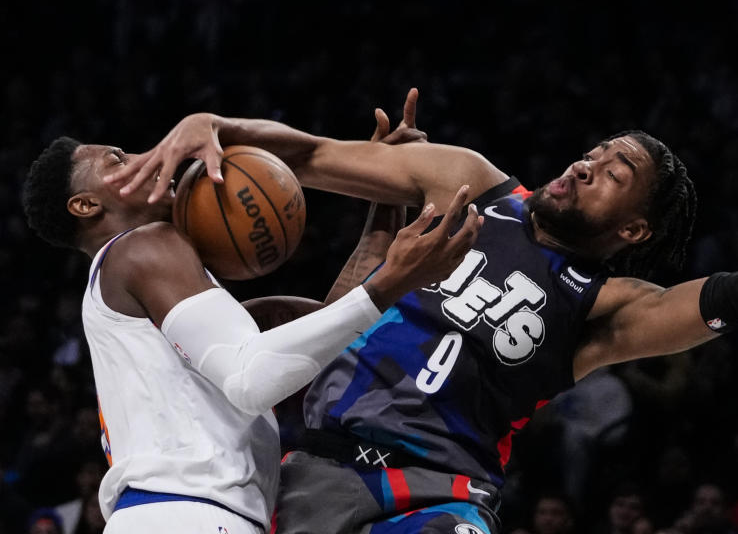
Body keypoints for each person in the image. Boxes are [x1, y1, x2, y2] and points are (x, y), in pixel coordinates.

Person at [110, 88, 738, 533]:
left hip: (437, 496)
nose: (588, 164)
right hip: (320, 467)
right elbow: (315, 154)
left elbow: (735, 299)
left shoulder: (606, 309)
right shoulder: (474, 184)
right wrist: (214, 124)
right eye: (595, 152)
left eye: (614, 171)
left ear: (631, 228)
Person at [20, 117, 481, 533]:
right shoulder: (144, 246)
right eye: (118, 160)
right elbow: (252, 379)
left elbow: (325, 335)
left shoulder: (137, 278)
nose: (149, 156)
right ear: (84, 205)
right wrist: (394, 281)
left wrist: (383, 194)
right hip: (188, 514)